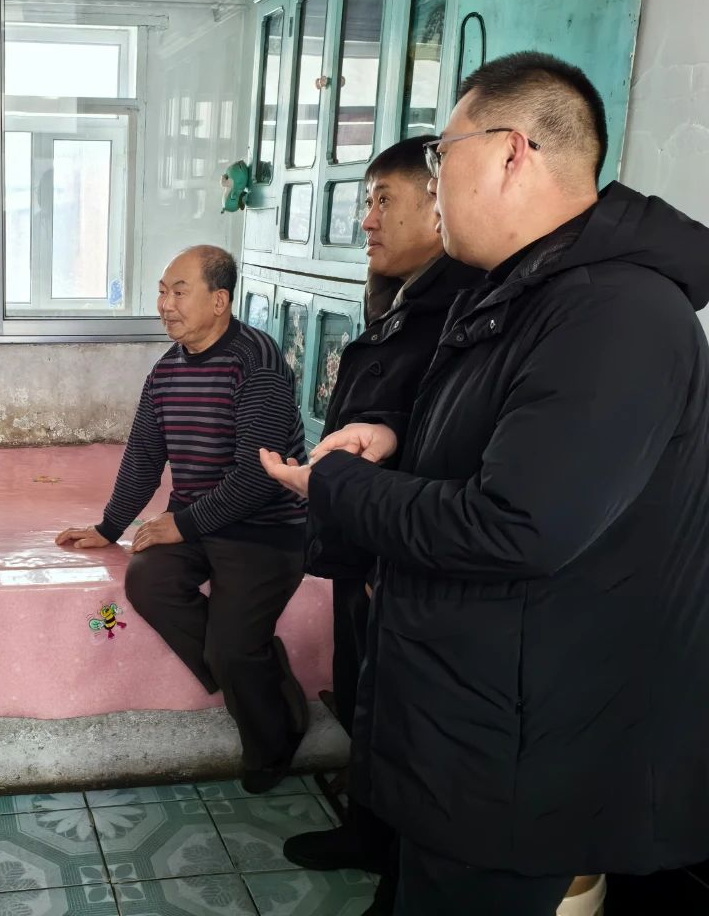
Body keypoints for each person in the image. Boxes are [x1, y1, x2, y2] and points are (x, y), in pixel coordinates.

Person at [260, 51, 709, 915]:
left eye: (441, 155)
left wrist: (335, 486)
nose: (433, 183)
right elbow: (511, 446)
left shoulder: (614, 313)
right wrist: (399, 440)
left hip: (523, 753)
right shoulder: (522, 290)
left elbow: (518, 524)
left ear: (512, 151)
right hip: (472, 723)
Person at [282, 136, 484, 913]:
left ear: (438, 209)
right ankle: (367, 831)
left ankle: (396, 859)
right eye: (366, 200)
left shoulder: (460, 308)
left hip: (399, 545)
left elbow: (440, 449)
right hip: (364, 535)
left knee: (400, 715)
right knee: (365, 694)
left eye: (383, 200)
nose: (366, 219)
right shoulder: (400, 296)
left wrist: (381, 551)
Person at [56, 245, 311, 792]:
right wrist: (109, 527)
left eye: (179, 292)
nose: (164, 305)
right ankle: (260, 667)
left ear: (220, 301)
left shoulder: (257, 363)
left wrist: (184, 524)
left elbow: (259, 476)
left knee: (229, 647)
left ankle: (274, 741)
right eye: (161, 291)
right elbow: (143, 457)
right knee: (148, 580)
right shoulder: (166, 371)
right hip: (198, 521)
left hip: (264, 528)